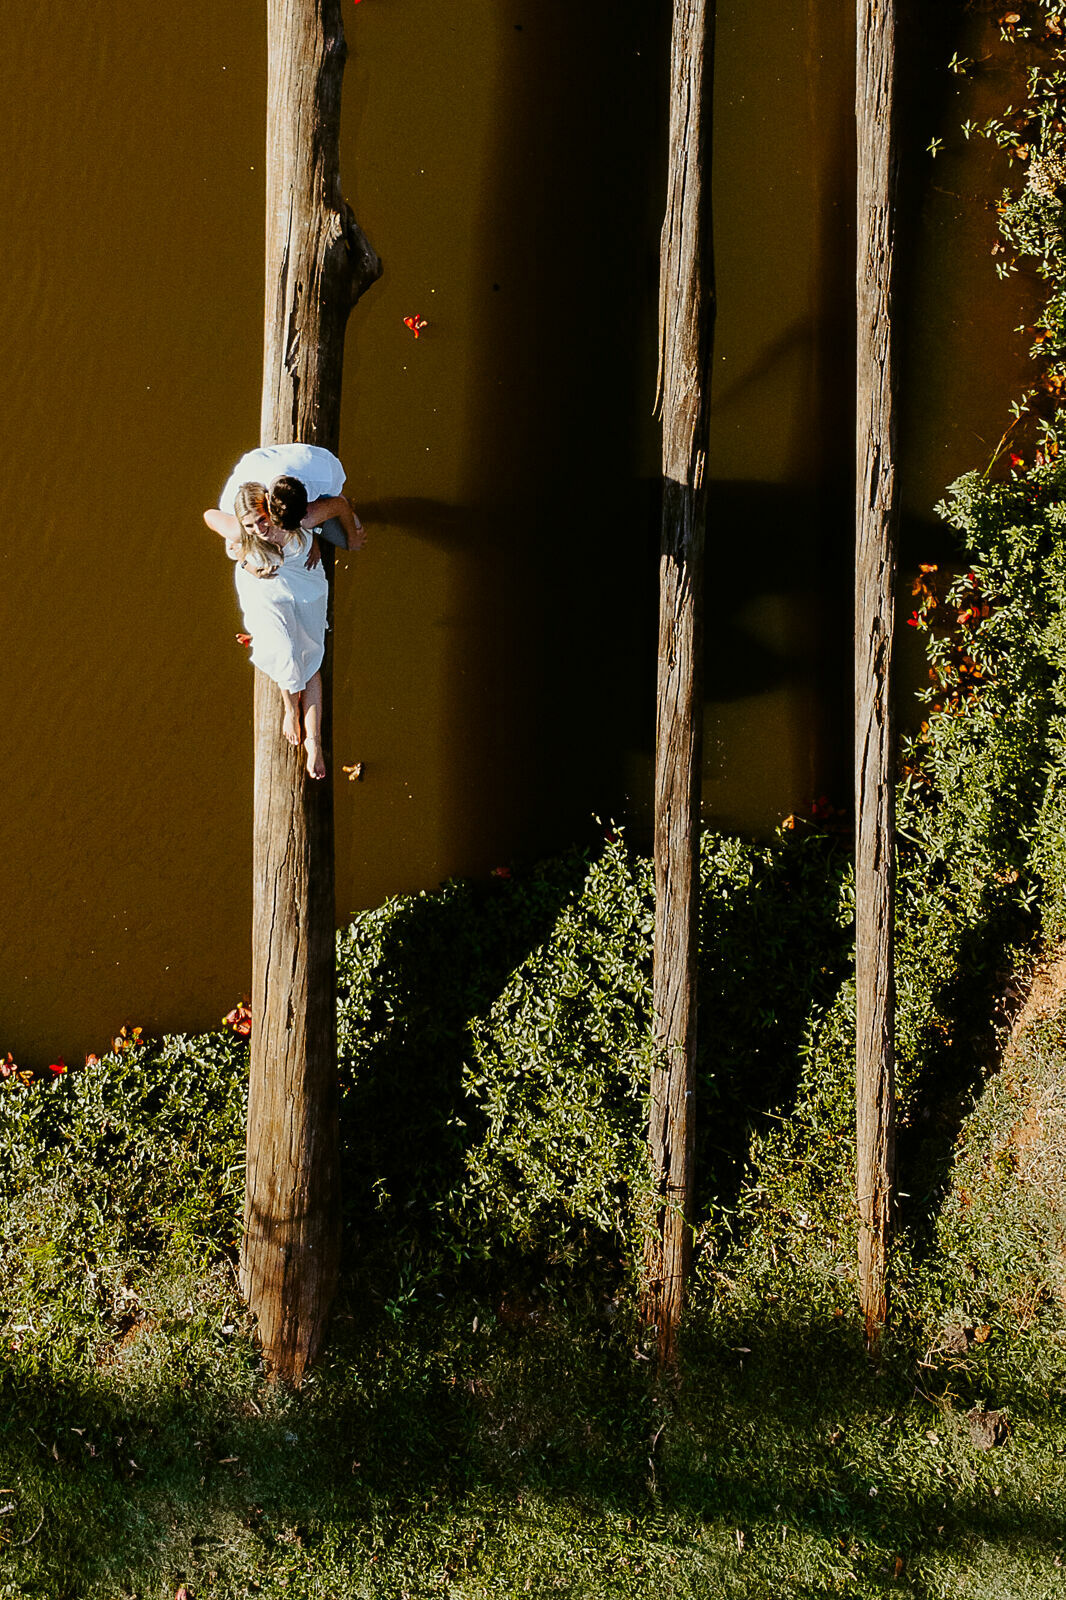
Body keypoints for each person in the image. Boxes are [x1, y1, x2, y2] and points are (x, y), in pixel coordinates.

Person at [204, 445, 366, 780]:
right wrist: (244, 559)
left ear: (273, 511)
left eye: (263, 520)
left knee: (311, 659)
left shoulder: (298, 515)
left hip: (304, 585)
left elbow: (334, 507)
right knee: (285, 653)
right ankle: (289, 707)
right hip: (266, 591)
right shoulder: (243, 529)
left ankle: (315, 743)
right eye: (251, 524)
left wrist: (333, 538)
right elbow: (210, 517)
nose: (260, 529)